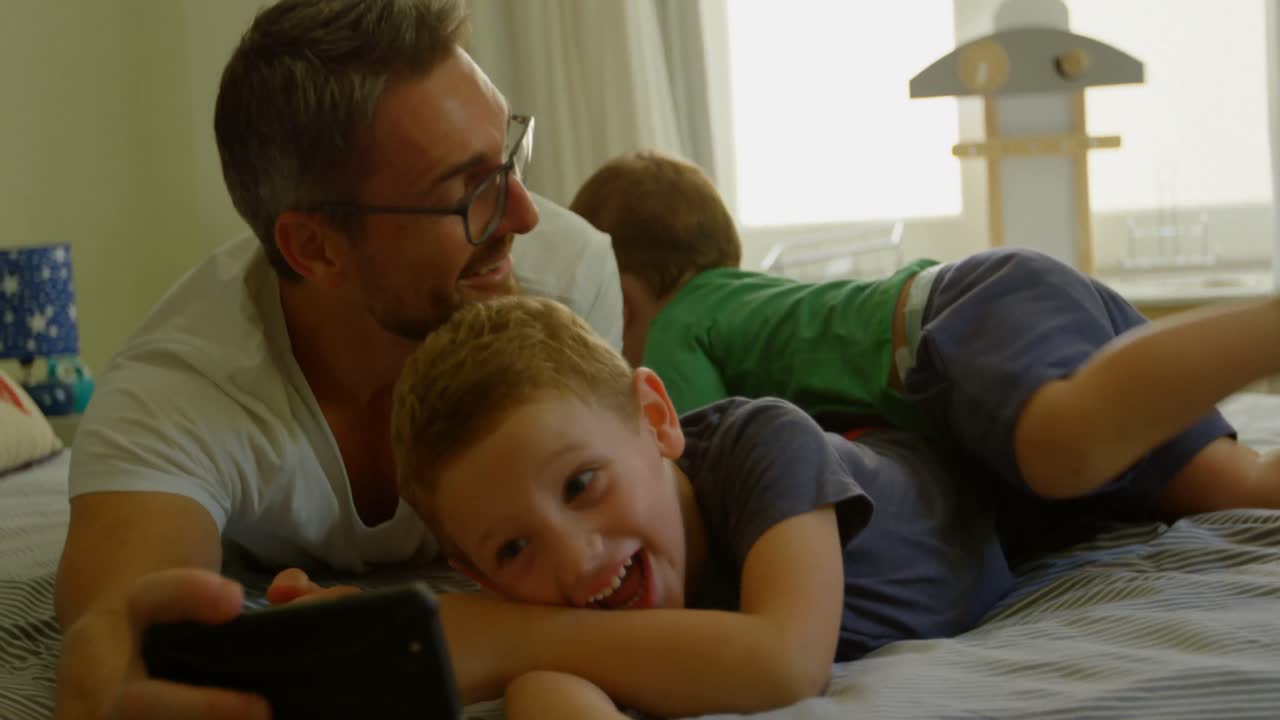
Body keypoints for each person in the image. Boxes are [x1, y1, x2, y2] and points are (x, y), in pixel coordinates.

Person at [51, 2, 621, 719]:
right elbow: (127, 618)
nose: (525, 216)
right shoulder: (183, 384)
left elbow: (631, 564)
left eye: (509, 158)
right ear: (316, 249)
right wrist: (111, 652)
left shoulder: (565, 286)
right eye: (469, 189)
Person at [380, 294, 1262, 719]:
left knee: (1114, 458)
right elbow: (545, 687)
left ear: (656, 422)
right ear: (470, 572)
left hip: (979, 352)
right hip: (1029, 509)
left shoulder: (764, 443)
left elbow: (783, 663)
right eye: (512, 553)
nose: (573, 559)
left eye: (582, 485)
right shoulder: (583, 611)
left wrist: (505, 637)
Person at [569, 149, 1280, 534]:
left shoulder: (674, 323)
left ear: (625, 298)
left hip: (954, 323)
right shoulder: (744, 300)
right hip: (1019, 296)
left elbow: (684, 469)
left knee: (1061, 449)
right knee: (1240, 490)